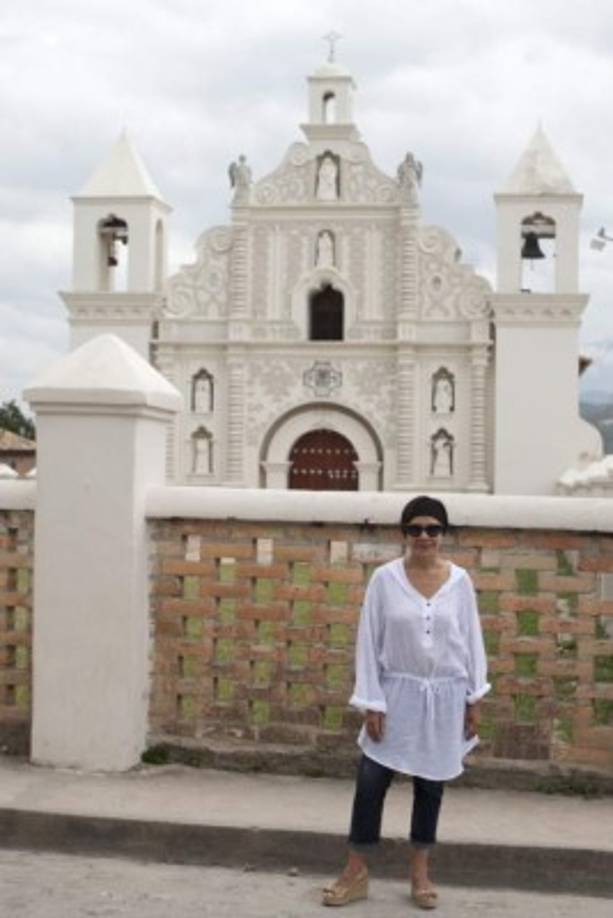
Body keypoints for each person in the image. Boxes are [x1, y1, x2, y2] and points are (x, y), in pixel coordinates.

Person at [322, 495, 490, 910]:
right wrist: (372, 703)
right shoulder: (385, 579)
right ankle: (355, 871)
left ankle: (420, 873)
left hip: (446, 696)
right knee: (370, 782)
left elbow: (471, 640)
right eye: (415, 529)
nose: (424, 536)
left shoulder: (459, 582)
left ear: (443, 534)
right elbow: (369, 640)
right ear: (404, 534)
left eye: (433, 529)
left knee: (430, 787)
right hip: (396, 694)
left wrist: (473, 698)